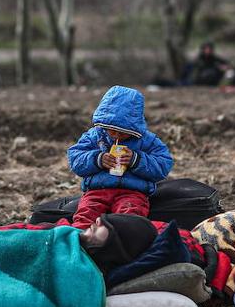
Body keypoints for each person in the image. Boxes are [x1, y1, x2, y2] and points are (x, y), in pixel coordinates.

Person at [67, 85, 174, 227]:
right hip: (98, 190)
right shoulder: (95, 136)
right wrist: (97, 159)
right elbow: (75, 158)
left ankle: (121, 242)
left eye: (123, 132)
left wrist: (137, 160)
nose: (117, 135)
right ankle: (81, 241)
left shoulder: (147, 140)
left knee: (130, 218)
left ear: (134, 127)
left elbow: (164, 164)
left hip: (132, 192)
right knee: (86, 214)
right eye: (112, 130)